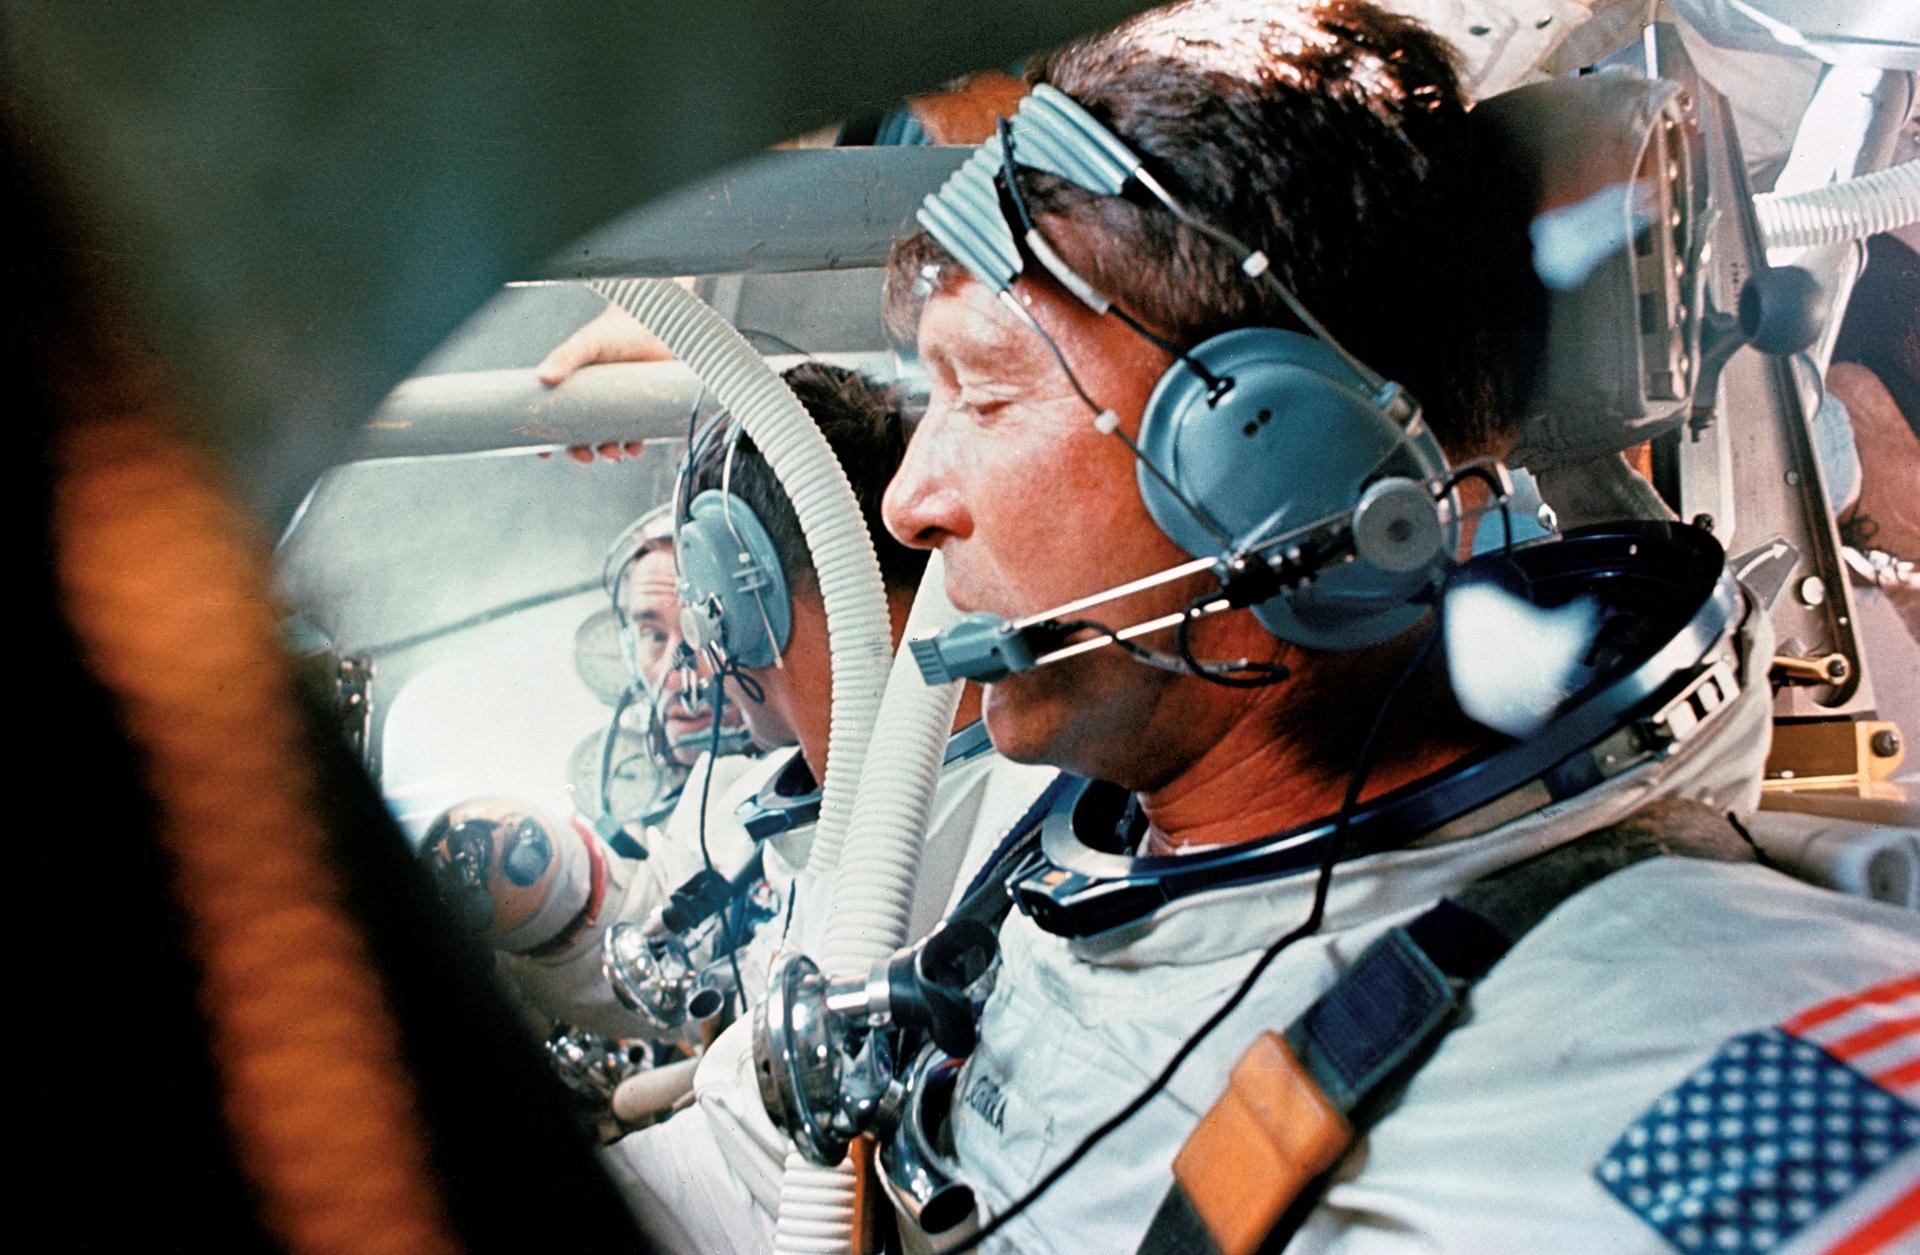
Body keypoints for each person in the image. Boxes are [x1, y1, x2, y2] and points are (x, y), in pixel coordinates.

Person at [871, 3, 1920, 1251]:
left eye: (984, 395)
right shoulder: (1050, 838)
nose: (908, 500)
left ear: (1279, 470)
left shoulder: (1722, 1100)